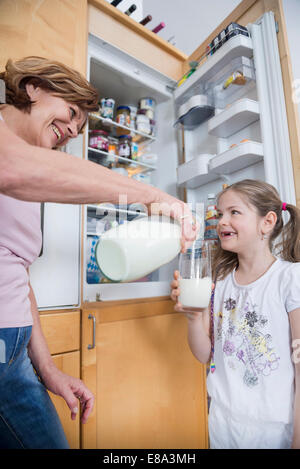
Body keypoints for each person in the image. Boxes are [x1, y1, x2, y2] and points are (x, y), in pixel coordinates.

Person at [0, 56, 196, 449]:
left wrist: (50, 370)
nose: (73, 129)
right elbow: (12, 168)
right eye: (71, 112)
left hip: (14, 352)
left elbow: (16, 275)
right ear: (33, 88)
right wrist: (151, 196)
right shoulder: (13, 160)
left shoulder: (28, 174)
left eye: (79, 127)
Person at [171, 179, 300, 449]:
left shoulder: (290, 278)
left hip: (274, 427)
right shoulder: (219, 281)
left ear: (267, 222)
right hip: (222, 419)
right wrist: (194, 317)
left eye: (234, 212)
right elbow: (205, 354)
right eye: (219, 214)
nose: (221, 221)